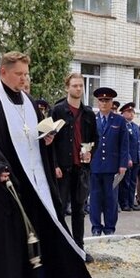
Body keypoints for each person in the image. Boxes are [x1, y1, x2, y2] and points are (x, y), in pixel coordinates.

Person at [0, 52, 91, 278]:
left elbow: (34, 134)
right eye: (19, 74)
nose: (24, 79)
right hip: (6, 183)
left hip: (32, 184)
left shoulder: (28, 101)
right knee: (6, 241)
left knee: (29, 238)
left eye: (26, 74)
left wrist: (46, 140)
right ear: (3, 72)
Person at [49, 73, 95, 258]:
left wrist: (91, 152)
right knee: (59, 209)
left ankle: (79, 248)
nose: (78, 89)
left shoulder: (89, 113)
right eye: (75, 85)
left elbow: (94, 138)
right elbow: (50, 140)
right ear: (67, 87)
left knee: (79, 209)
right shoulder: (58, 111)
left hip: (81, 168)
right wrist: (54, 164)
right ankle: (60, 248)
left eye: (81, 86)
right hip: (63, 169)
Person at [89, 87, 129, 236]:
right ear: (97, 102)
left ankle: (110, 227)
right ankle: (96, 227)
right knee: (95, 198)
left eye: (107, 100)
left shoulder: (119, 120)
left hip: (112, 166)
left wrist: (123, 165)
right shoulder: (92, 119)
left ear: (112, 102)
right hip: (95, 165)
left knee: (111, 199)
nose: (104, 103)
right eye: (101, 100)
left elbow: (124, 145)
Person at [117, 102, 140, 212]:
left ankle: (131, 202)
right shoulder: (122, 125)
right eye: (128, 112)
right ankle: (124, 203)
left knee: (132, 182)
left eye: (132, 112)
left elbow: (138, 143)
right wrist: (129, 158)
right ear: (123, 113)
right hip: (128, 158)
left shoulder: (135, 127)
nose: (131, 114)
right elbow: (124, 144)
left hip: (136, 158)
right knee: (125, 182)